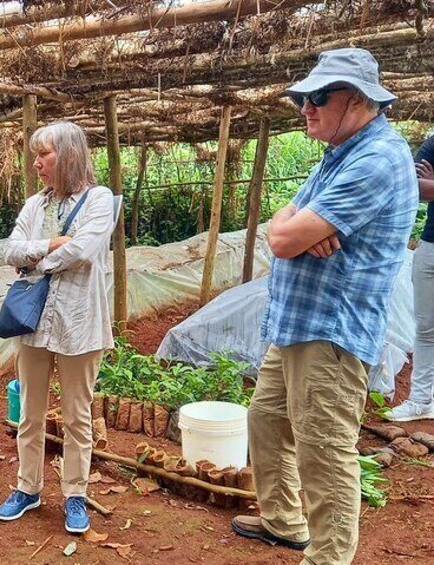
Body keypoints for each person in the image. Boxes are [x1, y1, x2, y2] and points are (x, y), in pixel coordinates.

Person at [230, 48, 418, 565]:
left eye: (316, 98)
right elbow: (283, 224)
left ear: (356, 100)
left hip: (330, 333)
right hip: (300, 323)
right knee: (266, 419)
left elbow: (285, 237)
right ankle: (283, 522)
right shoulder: (342, 152)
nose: (305, 109)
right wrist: (292, 226)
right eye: (301, 99)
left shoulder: (377, 159)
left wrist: (292, 230)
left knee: (325, 454)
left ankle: (327, 558)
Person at [0, 122, 115, 534]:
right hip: (34, 323)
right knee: (29, 411)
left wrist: (34, 261)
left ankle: (75, 494)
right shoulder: (35, 206)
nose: (36, 163)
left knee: (77, 415)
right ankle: (27, 489)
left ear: (68, 154)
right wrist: (49, 246)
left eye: (43, 154)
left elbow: (84, 251)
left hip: (80, 324)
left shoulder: (100, 200)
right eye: (35, 155)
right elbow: (10, 250)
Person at [387, 134, 434, 421]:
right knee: (426, 328)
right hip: (429, 246)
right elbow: (415, 188)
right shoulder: (433, 144)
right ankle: (421, 400)